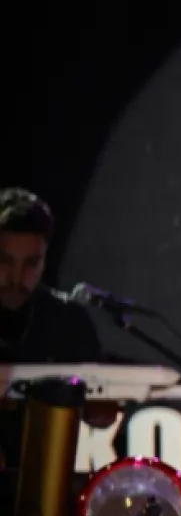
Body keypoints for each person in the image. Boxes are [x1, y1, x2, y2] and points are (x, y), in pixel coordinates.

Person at [0, 187, 114, 471]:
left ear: (45, 259)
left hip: (43, 487)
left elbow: (102, 412)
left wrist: (97, 406)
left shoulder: (68, 320)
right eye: (4, 262)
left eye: (31, 263)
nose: (16, 278)